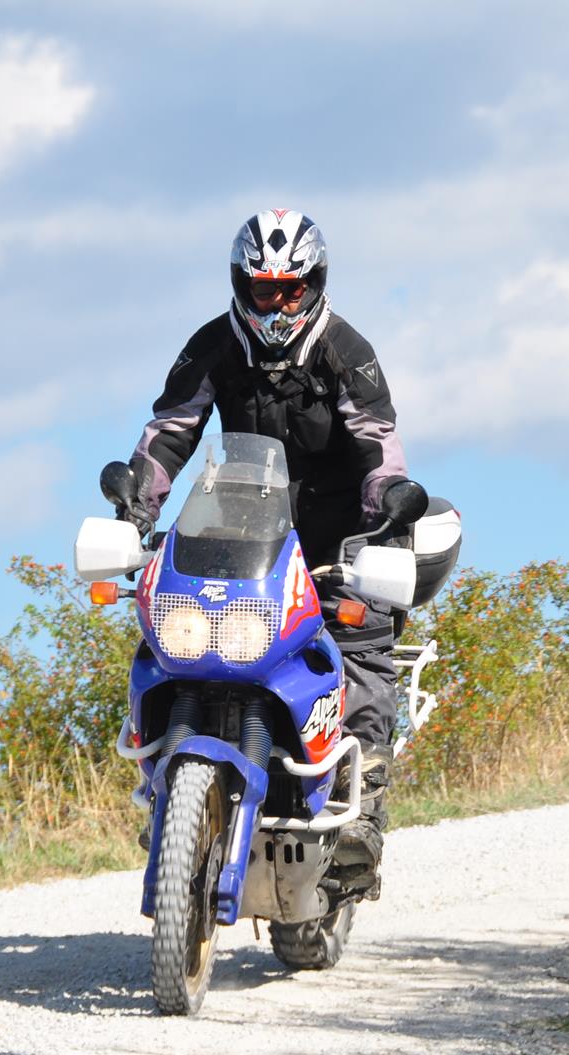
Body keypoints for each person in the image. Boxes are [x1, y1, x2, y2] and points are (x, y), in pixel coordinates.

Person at [112, 209, 415, 890]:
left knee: (361, 640)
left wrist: (387, 504)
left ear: (311, 284)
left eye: (286, 289)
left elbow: (376, 441)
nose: (274, 303)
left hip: (338, 536)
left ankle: (363, 805)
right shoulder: (214, 345)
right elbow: (171, 430)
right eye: (261, 290)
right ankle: (170, 782)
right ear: (241, 286)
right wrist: (139, 500)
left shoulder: (346, 350)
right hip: (243, 531)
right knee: (173, 628)